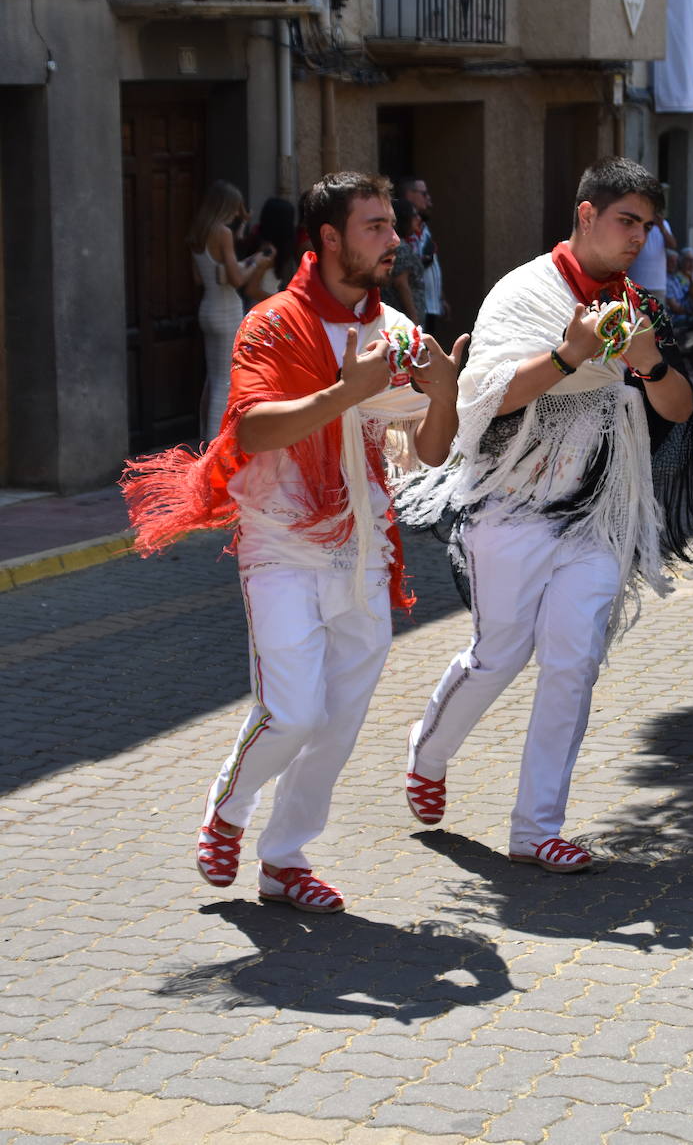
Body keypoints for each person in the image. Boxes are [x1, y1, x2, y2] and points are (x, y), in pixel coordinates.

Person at [122, 172, 467, 912]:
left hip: (366, 552)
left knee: (339, 721)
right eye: (376, 226)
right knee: (294, 711)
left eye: (393, 225)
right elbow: (249, 430)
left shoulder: (398, 334)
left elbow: (432, 452)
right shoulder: (272, 324)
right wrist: (347, 390)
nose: (394, 240)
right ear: (330, 238)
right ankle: (228, 808)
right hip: (280, 544)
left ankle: (284, 860)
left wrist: (446, 393)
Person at [397, 158, 693, 873]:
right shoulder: (524, 291)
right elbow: (483, 397)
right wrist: (570, 355)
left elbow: (678, 410)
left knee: (573, 661)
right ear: (587, 214)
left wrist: (652, 365)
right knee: (499, 655)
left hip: (595, 514)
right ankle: (428, 751)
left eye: (647, 227)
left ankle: (537, 829)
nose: (638, 238)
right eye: (627, 221)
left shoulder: (634, 304)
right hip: (511, 506)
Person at [188, 181, 275, 442]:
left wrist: (243, 256)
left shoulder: (198, 232)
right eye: (236, 209)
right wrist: (257, 261)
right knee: (225, 382)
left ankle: (205, 438)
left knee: (212, 379)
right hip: (226, 310)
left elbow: (200, 278)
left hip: (208, 307)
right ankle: (216, 449)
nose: (238, 215)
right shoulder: (222, 232)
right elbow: (237, 280)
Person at [399, 176, 446, 336]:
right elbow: (402, 279)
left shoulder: (423, 227)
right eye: (424, 194)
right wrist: (413, 317)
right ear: (410, 194)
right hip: (416, 309)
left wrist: (441, 298)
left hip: (431, 305)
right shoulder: (402, 239)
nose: (428, 199)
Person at [245, 197, 299, 305]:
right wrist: (282, 302)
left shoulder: (268, 246)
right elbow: (251, 290)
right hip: (263, 311)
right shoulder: (268, 251)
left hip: (267, 308)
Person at [381, 198, 426, 323]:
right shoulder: (400, 248)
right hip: (404, 321)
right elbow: (401, 283)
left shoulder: (403, 245)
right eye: (414, 215)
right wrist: (413, 318)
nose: (418, 218)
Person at [628, 208, 678, 302]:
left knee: (658, 316)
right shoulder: (636, 224)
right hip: (637, 282)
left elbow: (672, 245)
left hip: (658, 284)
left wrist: (661, 227)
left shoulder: (664, 224)